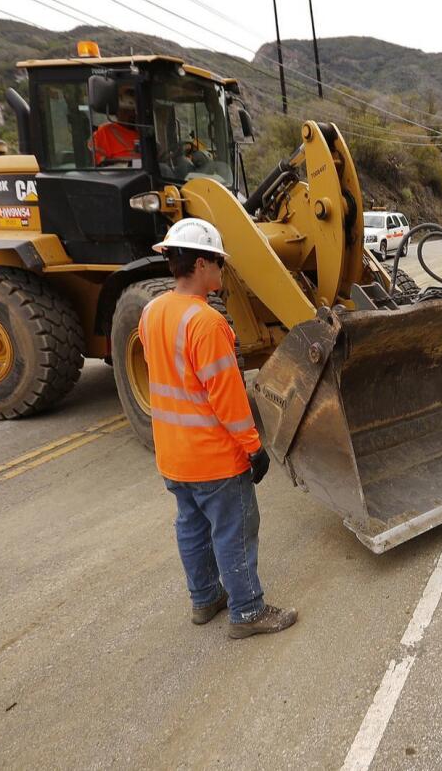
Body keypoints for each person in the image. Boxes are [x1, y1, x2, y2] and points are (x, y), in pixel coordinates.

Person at [139, 217, 297, 639]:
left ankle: (205, 598)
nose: (223, 272)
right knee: (235, 531)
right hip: (214, 459)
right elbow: (226, 398)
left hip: (173, 456)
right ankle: (247, 612)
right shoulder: (207, 324)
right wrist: (253, 447)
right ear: (202, 265)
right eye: (220, 264)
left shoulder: (152, 311)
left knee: (190, 526)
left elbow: (168, 377)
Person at [91, 83, 140, 165]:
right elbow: (99, 164)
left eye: (134, 111)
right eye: (126, 111)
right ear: (116, 111)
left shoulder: (146, 131)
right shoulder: (104, 133)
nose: (132, 114)